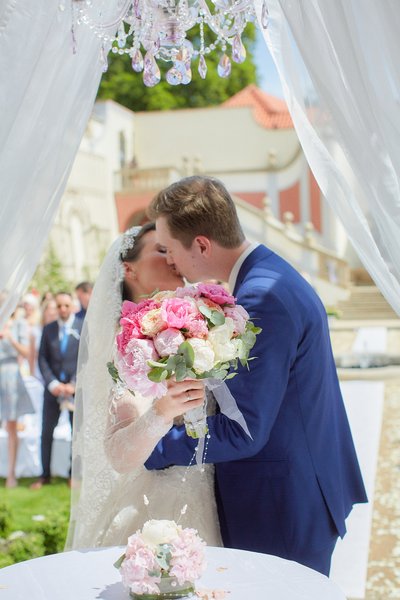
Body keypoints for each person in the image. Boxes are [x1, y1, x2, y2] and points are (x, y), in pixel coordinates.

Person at [145, 175, 368, 576]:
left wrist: (151, 444)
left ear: (201, 244)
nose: (169, 262)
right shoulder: (269, 274)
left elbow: (243, 429)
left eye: (169, 249)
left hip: (282, 503)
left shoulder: (261, 298)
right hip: (293, 486)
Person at [66, 223, 222, 549]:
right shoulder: (120, 347)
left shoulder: (205, 323)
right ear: (129, 268)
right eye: (161, 250)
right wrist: (161, 412)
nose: (173, 258)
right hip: (157, 511)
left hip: (221, 495)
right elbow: (119, 457)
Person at [30, 292, 83, 489]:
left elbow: (86, 359)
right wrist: (52, 383)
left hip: (74, 390)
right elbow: (42, 358)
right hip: (52, 390)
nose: (62, 309)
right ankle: (44, 475)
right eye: (59, 306)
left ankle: (73, 474)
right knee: (46, 431)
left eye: (66, 306)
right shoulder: (48, 329)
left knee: (75, 433)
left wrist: (75, 384)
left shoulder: (82, 327)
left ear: (72, 307)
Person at [0, 312, 35, 487]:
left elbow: (26, 351)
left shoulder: (19, 323)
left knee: (11, 426)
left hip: (10, 375)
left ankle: (11, 474)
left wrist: (9, 338)